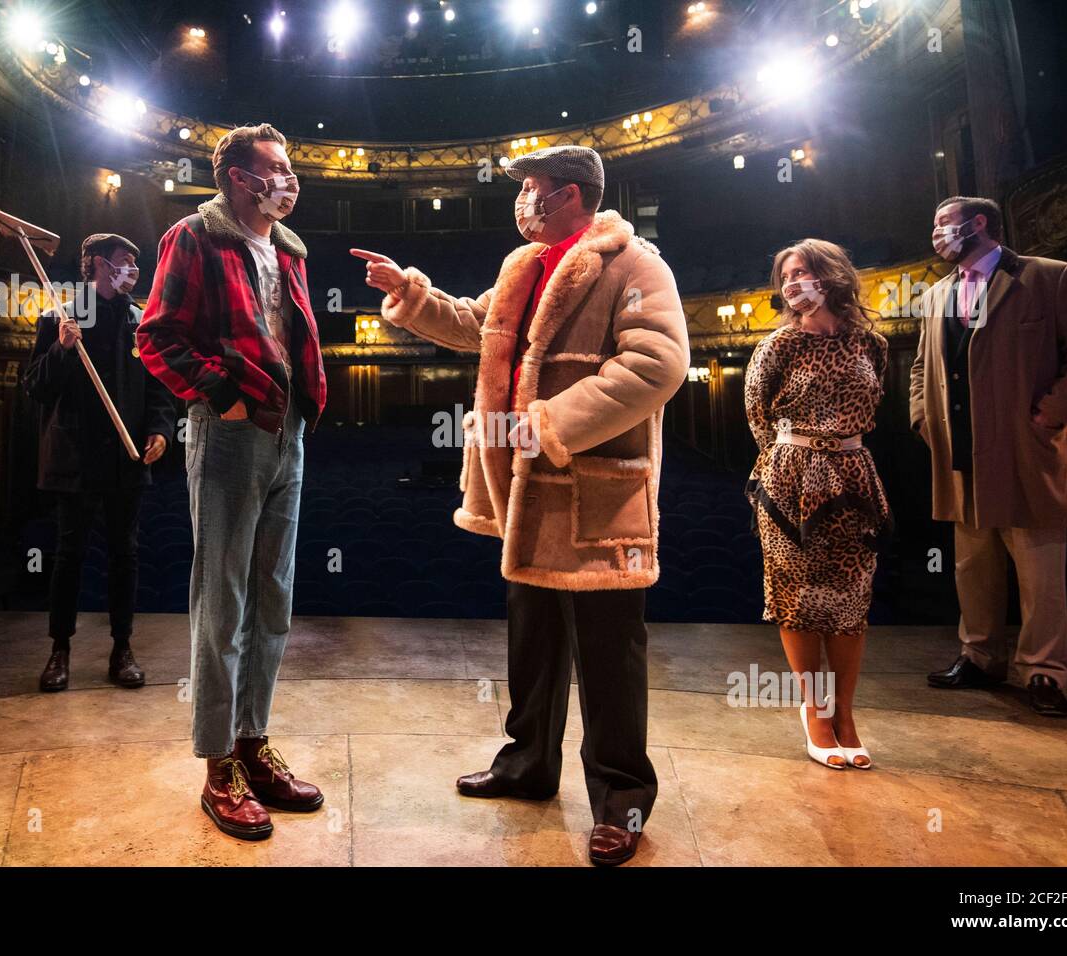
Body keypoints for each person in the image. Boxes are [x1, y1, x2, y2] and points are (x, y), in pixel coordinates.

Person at [353, 145, 689, 866]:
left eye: (532, 188)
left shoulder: (634, 265)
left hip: (596, 492)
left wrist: (549, 423)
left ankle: (622, 798)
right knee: (532, 644)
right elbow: (477, 328)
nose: (522, 199)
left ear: (571, 195)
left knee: (608, 654)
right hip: (525, 494)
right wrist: (410, 295)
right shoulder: (523, 268)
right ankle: (528, 766)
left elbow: (657, 364)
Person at [136, 123, 329, 840]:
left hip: (288, 433)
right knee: (225, 602)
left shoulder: (289, 249)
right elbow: (155, 335)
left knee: (273, 599)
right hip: (228, 433)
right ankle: (219, 765)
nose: (288, 178)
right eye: (276, 168)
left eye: (289, 167)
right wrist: (223, 393)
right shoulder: (195, 236)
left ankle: (253, 743)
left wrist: (303, 400)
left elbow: (287, 333)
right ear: (239, 178)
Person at [913, 196, 1067, 716]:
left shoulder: (1050, 276)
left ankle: (1044, 672)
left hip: (1028, 454)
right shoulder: (934, 295)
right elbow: (920, 370)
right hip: (961, 457)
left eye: (943, 224)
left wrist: (1051, 416)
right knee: (971, 565)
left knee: (1039, 572)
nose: (935, 234)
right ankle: (979, 655)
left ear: (978, 224)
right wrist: (924, 420)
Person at [744, 239, 890, 770]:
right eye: (785, 275)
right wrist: (789, 466)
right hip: (790, 477)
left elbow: (874, 404)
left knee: (850, 600)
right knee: (800, 599)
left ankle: (846, 717)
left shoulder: (869, 343)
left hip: (854, 474)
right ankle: (817, 712)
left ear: (830, 277)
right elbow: (758, 417)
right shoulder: (778, 345)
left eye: (802, 272)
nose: (791, 283)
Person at [25, 233, 175, 693]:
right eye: (122, 262)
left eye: (134, 263)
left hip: (126, 459)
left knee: (124, 556)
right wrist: (62, 350)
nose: (131, 270)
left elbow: (159, 388)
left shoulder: (141, 321)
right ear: (94, 265)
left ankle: (122, 648)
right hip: (75, 458)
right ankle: (59, 651)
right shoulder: (59, 317)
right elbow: (35, 388)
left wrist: (161, 430)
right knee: (69, 556)